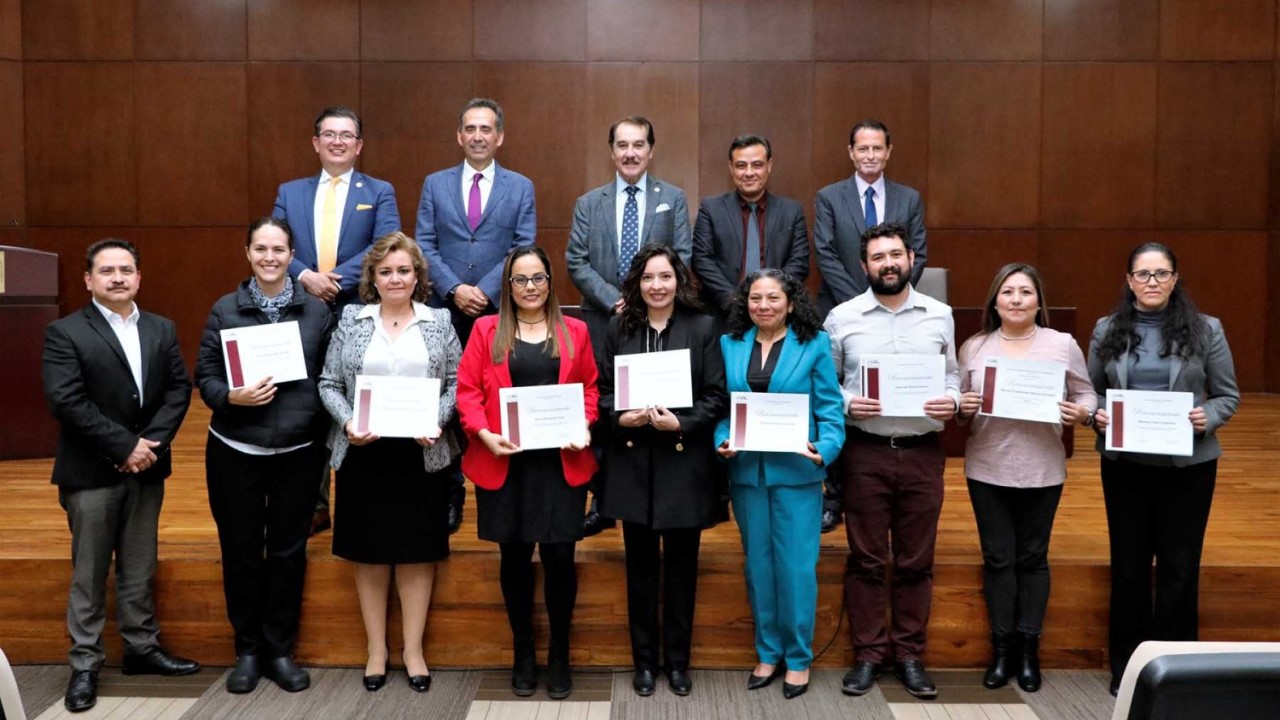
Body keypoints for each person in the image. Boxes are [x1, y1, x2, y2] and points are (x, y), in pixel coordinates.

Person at [43, 239, 198, 714]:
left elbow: (178, 390)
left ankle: (142, 649)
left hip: (146, 468)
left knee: (139, 565)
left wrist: (149, 446)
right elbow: (66, 401)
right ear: (88, 279)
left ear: (138, 277)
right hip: (91, 471)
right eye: (107, 270)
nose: (117, 278)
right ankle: (85, 664)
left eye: (126, 270)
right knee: (89, 572)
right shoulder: (65, 332)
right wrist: (124, 446)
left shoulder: (160, 328)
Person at [1086, 242, 1239, 696]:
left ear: (1175, 279)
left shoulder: (1206, 329)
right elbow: (1089, 392)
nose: (1152, 281)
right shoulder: (1106, 328)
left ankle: (1176, 671)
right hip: (1125, 468)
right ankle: (1128, 670)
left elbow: (1227, 395)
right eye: (1143, 274)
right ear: (1129, 280)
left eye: (1161, 273)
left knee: (1179, 569)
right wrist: (1098, 413)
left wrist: (1207, 417)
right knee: (1129, 569)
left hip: (1188, 469)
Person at [194, 218, 334, 694]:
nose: (269, 257)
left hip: (299, 451)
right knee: (241, 551)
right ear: (247, 253)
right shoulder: (225, 309)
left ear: (291, 255)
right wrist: (230, 397)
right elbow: (205, 376)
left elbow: (328, 376)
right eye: (260, 248)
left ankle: (279, 649)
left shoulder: (316, 311)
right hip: (236, 449)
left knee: (288, 552)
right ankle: (248, 649)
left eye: (278, 249)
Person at [317, 232, 461, 694]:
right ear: (373, 278)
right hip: (364, 453)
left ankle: (413, 650)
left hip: (422, 454)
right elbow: (328, 383)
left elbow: (458, 382)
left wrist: (436, 420)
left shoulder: (439, 321)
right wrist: (348, 422)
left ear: (417, 276)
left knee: (418, 554)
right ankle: (376, 649)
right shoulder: (351, 320)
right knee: (370, 554)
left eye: (403, 270)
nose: (395, 278)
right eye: (386, 271)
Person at [456, 246, 599, 700]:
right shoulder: (486, 330)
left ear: (550, 282)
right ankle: (523, 651)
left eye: (538, 278)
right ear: (508, 285)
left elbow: (590, 389)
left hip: (560, 464)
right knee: (514, 560)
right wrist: (483, 433)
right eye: (521, 279)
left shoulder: (576, 330)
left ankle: (559, 652)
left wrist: (584, 425)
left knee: (559, 560)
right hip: (506, 462)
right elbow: (467, 392)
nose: (530, 287)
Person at [825, 222, 959, 700]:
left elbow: (952, 376)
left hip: (923, 453)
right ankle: (867, 655)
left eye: (895, 254)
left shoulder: (940, 315)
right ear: (864, 265)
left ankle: (908, 655)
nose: (888, 263)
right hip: (865, 452)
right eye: (878, 257)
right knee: (866, 559)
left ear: (911, 259)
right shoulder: (842, 318)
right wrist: (847, 403)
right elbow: (826, 384)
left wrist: (952, 400)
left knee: (916, 559)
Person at [954, 263, 1096, 693]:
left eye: (1025, 292)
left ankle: (1030, 652)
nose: (1016, 299)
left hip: (1042, 468)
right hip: (988, 466)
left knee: (1033, 558)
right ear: (995, 301)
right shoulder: (974, 346)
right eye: (1008, 292)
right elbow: (959, 403)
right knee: (998, 559)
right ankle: (1002, 651)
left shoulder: (1061, 344)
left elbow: (1086, 392)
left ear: (1039, 301)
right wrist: (963, 406)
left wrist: (1083, 412)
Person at [597, 245, 727, 697]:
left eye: (666, 277)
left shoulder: (702, 326)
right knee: (639, 571)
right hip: (633, 464)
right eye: (649, 277)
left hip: (682, 463)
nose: (657, 286)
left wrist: (683, 424)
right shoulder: (619, 327)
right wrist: (621, 417)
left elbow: (715, 395)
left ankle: (677, 663)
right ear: (638, 282)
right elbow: (604, 391)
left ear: (679, 281)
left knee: (682, 570)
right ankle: (645, 664)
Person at [714, 269, 845, 701]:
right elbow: (722, 408)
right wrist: (722, 440)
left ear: (790, 303)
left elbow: (830, 408)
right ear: (745, 303)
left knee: (797, 569)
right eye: (755, 298)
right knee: (758, 566)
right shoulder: (730, 344)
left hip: (797, 472)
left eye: (773, 298)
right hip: (748, 473)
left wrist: (824, 448)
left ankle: (799, 658)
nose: (763, 305)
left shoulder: (814, 344)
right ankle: (768, 653)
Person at [272, 105, 401, 537]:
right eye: (329, 134)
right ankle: (314, 503)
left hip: (357, 310)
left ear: (358, 145)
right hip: (301, 311)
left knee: (354, 401)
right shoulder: (290, 192)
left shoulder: (379, 191)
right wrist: (305, 276)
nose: (337, 142)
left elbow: (386, 245)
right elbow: (275, 244)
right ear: (316, 142)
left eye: (346, 135)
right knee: (308, 403)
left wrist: (331, 279)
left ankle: (358, 498)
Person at [417, 98, 537, 535]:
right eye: (470, 128)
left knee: (493, 396)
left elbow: (522, 246)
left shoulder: (520, 187)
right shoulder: (435, 184)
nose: (478, 136)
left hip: (497, 311)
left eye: (486, 129)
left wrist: (484, 290)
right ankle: (451, 492)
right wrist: (454, 288)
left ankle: (499, 484)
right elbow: (424, 244)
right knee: (446, 400)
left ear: (499, 136)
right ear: (459, 135)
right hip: (443, 310)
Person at [567, 115, 690, 536]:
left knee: (651, 408)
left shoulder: (672, 198)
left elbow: (682, 257)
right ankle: (603, 500)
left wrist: (645, 298)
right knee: (607, 411)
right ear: (612, 152)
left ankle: (652, 494)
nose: (631, 153)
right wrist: (616, 301)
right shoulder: (589, 203)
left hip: (658, 321)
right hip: (603, 320)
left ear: (651, 151)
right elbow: (576, 261)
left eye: (639, 145)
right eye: (623, 145)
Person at [814, 119, 927, 534]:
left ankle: (889, 491)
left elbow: (918, 253)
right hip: (840, 313)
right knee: (837, 401)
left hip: (898, 316)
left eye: (877, 148)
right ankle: (835, 496)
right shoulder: (829, 197)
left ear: (888, 152)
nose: (870, 155)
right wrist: (862, 303)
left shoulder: (909, 198)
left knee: (881, 404)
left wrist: (888, 297)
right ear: (851, 153)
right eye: (862, 148)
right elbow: (825, 253)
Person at [691, 134, 809, 323]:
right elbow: (702, 260)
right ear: (731, 168)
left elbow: (799, 262)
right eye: (741, 165)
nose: (749, 172)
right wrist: (734, 300)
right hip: (723, 315)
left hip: (777, 316)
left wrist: (770, 298)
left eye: (757, 165)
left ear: (769, 166)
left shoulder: (791, 211)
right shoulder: (711, 209)